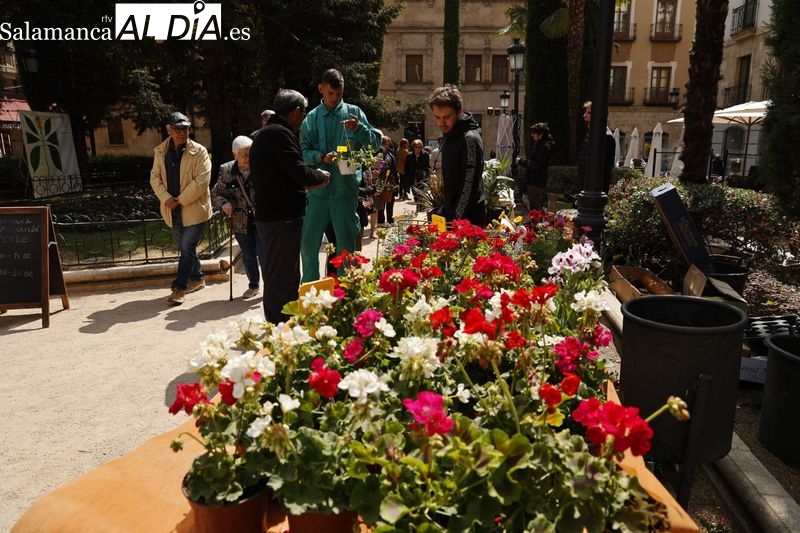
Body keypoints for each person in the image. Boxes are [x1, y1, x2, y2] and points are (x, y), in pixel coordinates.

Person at [250, 89, 330, 324]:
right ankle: (280, 325)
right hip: (280, 218)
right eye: (303, 113)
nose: (303, 118)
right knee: (282, 277)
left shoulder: (269, 133)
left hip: (274, 216)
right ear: (296, 112)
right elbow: (298, 171)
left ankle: (283, 322)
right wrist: (320, 176)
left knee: (282, 273)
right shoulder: (279, 134)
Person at [299, 68, 381, 282]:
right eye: (331, 94)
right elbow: (303, 152)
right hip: (318, 194)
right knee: (308, 246)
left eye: (339, 94)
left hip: (345, 193)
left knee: (346, 249)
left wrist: (360, 129)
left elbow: (374, 144)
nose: (335, 98)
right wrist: (321, 157)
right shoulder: (311, 119)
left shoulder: (354, 113)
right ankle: (310, 292)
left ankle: (347, 292)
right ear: (321, 90)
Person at [149, 112, 212, 306]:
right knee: (185, 247)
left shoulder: (199, 151)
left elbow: (202, 180)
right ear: (169, 130)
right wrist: (167, 199)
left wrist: (181, 200)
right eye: (177, 129)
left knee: (186, 247)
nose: (182, 132)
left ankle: (179, 288)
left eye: (185, 128)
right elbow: (155, 178)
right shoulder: (160, 151)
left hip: (194, 208)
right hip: (171, 209)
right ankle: (198, 277)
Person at [211, 135, 264, 299]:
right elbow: (215, 194)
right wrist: (224, 203)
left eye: (251, 154)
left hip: (262, 219)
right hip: (240, 221)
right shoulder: (226, 170)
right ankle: (253, 285)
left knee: (264, 254)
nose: (249, 158)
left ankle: (270, 285)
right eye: (245, 155)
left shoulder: (261, 167)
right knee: (248, 255)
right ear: (235, 155)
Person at [428, 85, 487, 226]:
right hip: (453, 216)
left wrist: (453, 221)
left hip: (468, 223)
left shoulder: (470, 139)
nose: (441, 123)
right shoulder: (451, 134)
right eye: (437, 117)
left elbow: (469, 186)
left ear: (459, 110)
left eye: (446, 117)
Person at [576, 100, 616, 195]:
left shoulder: (606, 137)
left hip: (594, 193)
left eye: (588, 113)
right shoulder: (589, 135)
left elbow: (604, 169)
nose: (584, 115)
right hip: (585, 189)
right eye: (585, 112)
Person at [518, 123, 554, 212]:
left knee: (535, 208)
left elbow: (536, 164)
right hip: (536, 180)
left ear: (540, 135)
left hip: (536, 181)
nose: (532, 135)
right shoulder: (541, 145)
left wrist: (521, 161)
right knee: (534, 206)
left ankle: (536, 224)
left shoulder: (543, 147)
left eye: (534, 133)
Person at [374, 135, 397, 226]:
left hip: (390, 180)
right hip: (382, 179)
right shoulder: (379, 152)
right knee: (381, 201)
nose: (390, 142)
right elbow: (379, 166)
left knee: (390, 200)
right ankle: (380, 221)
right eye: (388, 141)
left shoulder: (390, 152)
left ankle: (390, 220)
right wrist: (381, 169)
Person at [404, 139, 429, 205]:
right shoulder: (409, 156)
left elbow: (428, 166)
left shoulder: (425, 155)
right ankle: (418, 206)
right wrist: (406, 181)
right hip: (412, 178)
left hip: (422, 178)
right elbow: (406, 168)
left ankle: (420, 207)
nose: (418, 149)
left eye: (420, 147)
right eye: (416, 147)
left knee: (422, 194)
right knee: (415, 194)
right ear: (413, 147)